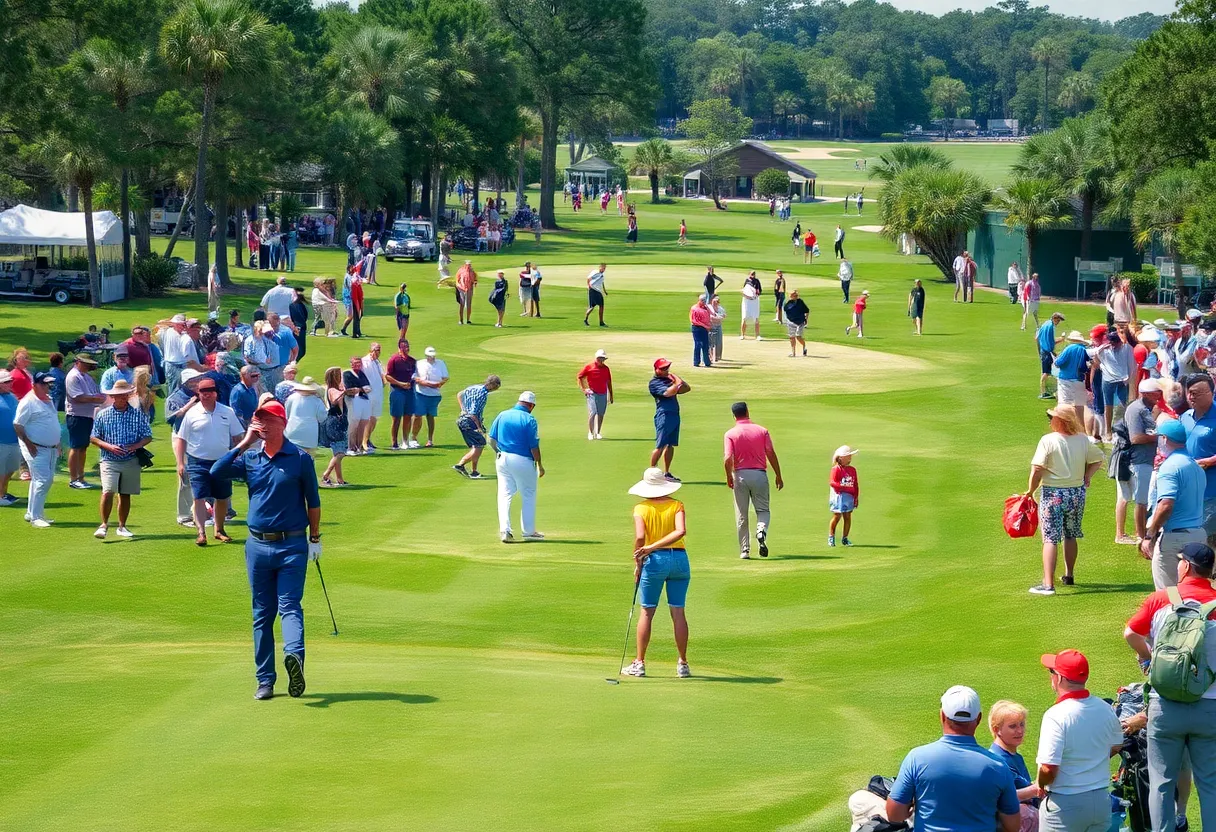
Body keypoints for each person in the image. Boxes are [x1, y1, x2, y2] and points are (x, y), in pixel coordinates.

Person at [211, 400, 322, 701]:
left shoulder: (300, 459)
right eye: (258, 420)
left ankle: (294, 657)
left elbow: (313, 501)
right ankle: (265, 681)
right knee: (262, 614)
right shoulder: (250, 458)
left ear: (282, 423)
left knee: (289, 605)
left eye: (268, 420)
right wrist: (244, 442)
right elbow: (216, 472)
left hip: (292, 545)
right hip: (257, 546)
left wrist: (315, 538)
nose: (262, 425)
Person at [1123, 542, 1216, 832]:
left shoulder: (1161, 598)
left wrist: (1152, 662)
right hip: (1210, 707)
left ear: (1186, 566)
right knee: (1210, 784)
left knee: (1161, 783)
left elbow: (1131, 634)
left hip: (1164, 707)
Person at [886, 685, 1022, 832]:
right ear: (978, 719)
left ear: (942, 716)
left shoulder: (917, 758)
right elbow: (1013, 826)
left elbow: (895, 814)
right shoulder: (998, 766)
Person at [1034, 650, 1124, 832]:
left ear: (1059, 678)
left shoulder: (1055, 715)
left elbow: (1048, 768)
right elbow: (1116, 745)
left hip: (1065, 806)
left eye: (1052, 672)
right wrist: (1092, 758)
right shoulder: (1104, 708)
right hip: (1100, 803)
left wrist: (1040, 784)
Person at [621, 467, 691, 679]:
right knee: (678, 612)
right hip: (680, 559)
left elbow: (641, 538)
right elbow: (680, 531)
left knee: (647, 612)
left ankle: (639, 663)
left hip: (655, 561)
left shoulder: (641, 508)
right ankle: (683, 664)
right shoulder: (677, 505)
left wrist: (641, 557)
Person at [1026, 407, 1105, 595]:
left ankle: (1048, 584)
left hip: (1053, 494)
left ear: (1059, 421)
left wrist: (1030, 491)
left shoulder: (1048, 441)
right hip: (1076, 493)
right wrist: (1087, 476)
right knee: (1070, 534)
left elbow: (1037, 469)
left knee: (1050, 538)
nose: (1049, 420)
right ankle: (1069, 575)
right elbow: (1098, 459)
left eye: (1051, 417)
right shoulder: (1082, 439)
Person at [174, 374, 244, 546]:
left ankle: (219, 530)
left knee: (222, 497)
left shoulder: (227, 412)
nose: (207, 394)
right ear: (198, 393)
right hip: (197, 461)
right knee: (199, 497)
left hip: (221, 462)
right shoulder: (191, 413)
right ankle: (201, 532)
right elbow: (181, 439)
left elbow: (238, 436)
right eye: (203, 391)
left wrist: (236, 456)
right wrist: (180, 463)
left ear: (216, 393)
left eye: (210, 391)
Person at [1141, 419, 1208, 589]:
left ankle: (1174, 615)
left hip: (1175, 539)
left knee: (1169, 592)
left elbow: (1166, 505)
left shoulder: (1170, 467)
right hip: (1199, 536)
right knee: (1193, 590)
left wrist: (1150, 535)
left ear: (1164, 438)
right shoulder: (1196, 466)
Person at [90, 379, 152, 540]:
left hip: (131, 459)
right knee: (108, 491)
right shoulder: (103, 415)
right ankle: (104, 525)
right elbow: (94, 437)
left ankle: (122, 526)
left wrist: (135, 446)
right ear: (112, 397)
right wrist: (109, 446)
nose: (122, 398)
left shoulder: (138, 415)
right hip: (109, 459)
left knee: (125, 494)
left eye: (125, 395)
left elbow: (147, 436)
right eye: (119, 396)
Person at [724, 402, 783, 560]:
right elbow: (770, 452)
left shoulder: (730, 433)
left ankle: (745, 550)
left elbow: (728, 458)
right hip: (759, 474)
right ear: (747, 412)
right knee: (763, 510)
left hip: (740, 475)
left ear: (734, 415)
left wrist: (729, 475)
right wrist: (778, 474)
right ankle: (761, 529)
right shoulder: (762, 430)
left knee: (741, 514)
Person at [488, 391, 545, 543]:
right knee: (528, 494)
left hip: (502, 459)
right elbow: (534, 446)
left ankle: (505, 530)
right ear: (531, 405)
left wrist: (498, 453)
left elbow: (491, 439)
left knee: (504, 494)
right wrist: (539, 464)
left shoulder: (502, 415)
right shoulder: (529, 419)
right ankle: (528, 531)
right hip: (522, 460)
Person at [13, 372, 60, 527]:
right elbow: (18, 425)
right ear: (35, 385)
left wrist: (57, 442)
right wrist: (28, 443)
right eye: (45, 384)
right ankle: (36, 517)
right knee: (42, 480)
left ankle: (32, 512)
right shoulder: (28, 402)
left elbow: (52, 422)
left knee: (42, 480)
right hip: (35, 448)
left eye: (49, 384)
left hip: (50, 448)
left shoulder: (49, 400)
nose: (48, 386)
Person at [1119, 379, 1163, 545]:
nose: (1158, 395)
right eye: (1155, 393)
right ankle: (1141, 536)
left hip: (1146, 459)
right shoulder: (1136, 410)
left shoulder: (1146, 408)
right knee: (1141, 500)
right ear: (1145, 394)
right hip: (1139, 460)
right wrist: (1159, 438)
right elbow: (1136, 438)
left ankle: (1142, 533)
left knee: (1143, 499)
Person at [988, 700, 1043, 832]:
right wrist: (1040, 787)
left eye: (1022, 724)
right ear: (997, 730)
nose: (1020, 731)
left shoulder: (1013, 756)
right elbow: (1005, 797)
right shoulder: (998, 760)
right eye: (1013, 726)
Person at [65, 354, 105, 490]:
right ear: (78, 362)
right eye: (86, 363)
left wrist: (98, 398)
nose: (88, 366)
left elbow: (94, 393)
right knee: (76, 447)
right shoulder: (73, 376)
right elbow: (77, 397)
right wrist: (96, 399)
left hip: (87, 415)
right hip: (76, 415)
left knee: (83, 447)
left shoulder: (86, 377)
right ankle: (73, 479)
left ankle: (80, 477)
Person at [649, 359, 690, 482]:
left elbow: (686, 388)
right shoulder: (654, 383)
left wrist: (676, 379)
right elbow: (668, 393)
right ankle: (651, 474)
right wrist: (677, 383)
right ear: (656, 370)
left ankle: (666, 473)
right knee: (660, 445)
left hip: (674, 414)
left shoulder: (669, 380)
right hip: (664, 414)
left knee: (670, 445)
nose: (665, 370)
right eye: (662, 368)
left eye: (667, 368)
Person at [453, 375, 501, 478]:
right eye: (496, 387)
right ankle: (460, 465)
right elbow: (473, 414)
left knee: (477, 445)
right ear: (492, 385)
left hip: (462, 420)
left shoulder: (474, 387)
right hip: (469, 422)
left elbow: (460, 394)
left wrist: (463, 409)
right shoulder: (483, 394)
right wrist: (479, 427)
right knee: (480, 444)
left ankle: (474, 471)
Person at [1098, 328, 1137, 440]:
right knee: (1108, 405)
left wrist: (1128, 378)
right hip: (1108, 380)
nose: (1113, 345)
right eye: (1111, 342)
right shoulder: (1104, 349)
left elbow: (1131, 364)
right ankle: (1108, 431)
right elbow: (1096, 355)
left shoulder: (1127, 348)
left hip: (1122, 380)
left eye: (1116, 342)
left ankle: (1125, 427)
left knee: (1124, 404)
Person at [411, 346, 449, 448]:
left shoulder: (440, 363)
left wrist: (439, 384)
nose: (431, 358)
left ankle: (430, 439)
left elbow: (445, 377)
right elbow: (414, 377)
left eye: (432, 356)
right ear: (426, 355)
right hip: (421, 392)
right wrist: (423, 382)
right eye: (429, 356)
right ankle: (414, 438)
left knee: (430, 416)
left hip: (434, 394)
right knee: (418, 415)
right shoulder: (419, 363)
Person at [1052, 331, 1092, 427]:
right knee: (1079, 406)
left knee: (1064, 404)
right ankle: (1082, 428)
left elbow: (1058, 363)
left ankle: (1064, 426)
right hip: (1079, 380)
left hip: (1065, 380)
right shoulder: (1084, 349)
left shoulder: (1069, 349)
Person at [385, 340, 416, 451]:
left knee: (408, 416)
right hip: (397, 391)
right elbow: (388, 376)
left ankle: (405, 441)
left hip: (409, 391)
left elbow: (415, 375)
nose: (406, 349)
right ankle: (394, 442)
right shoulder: (394, 360)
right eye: (404, 347)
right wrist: (400, 384)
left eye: (407, 346)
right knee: (396, 418)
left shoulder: (412, 361)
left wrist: (410, 384)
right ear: (399, 348)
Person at [284, 377, 326, 456]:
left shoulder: (291, 398)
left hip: (292, 430)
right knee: (308, 458)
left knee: (292, 457)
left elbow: (287, 414)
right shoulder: (317, 401)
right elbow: (322, 418)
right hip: (309, 433)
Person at [320, 367, 348, 487]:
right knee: (340, 453)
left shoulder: (336, 388)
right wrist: (343, 392)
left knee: (337, 452)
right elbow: (335, 400)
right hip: (335, 422)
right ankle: (326, 475)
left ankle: (340, 479)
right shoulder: (331, 389)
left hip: (338, 421)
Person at [577, 349, 614, 441]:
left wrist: (611, 395)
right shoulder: (589, 367)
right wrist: (584, 389)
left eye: (603, 358)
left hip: (603, 393)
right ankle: (590, 432)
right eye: (600, 358)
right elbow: (580, 377)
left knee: (600, 413)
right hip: (592, 393)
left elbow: (609, 382)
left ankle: (597, 433)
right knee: (592, 412)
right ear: (596, 358)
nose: (601, 360)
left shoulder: (606, 369)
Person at [828, 445, 860, 547]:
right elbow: (833, 483)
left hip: (849, 497)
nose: (850, 458)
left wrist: (856, 496)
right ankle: (831, 537)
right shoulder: (836, 469)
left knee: (847, 516)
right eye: (848, 456)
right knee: (837, 516)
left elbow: (855, 484)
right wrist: (844, 487)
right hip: (838, 497)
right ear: (841, 458)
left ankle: (845, 538)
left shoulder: (852, 470)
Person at [342, 356, 372, 456]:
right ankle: (351, 447)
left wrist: (360, 389)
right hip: (353, 400)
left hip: (364, 399)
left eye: (359, 363)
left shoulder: (362, 374)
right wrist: (361, 389)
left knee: (363, 424)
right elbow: (350, 389)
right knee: (353, 424)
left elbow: (368, 388)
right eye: (355, 363)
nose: (358, 365)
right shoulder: (347, 374)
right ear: (351, 364)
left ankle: (359, 447)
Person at [0, 370, 20, 507]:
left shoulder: (12, 397)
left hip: (14, 440)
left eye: (10, 381)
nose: (10, 383)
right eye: (6, 381)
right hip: (1, 441)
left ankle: (3, 493)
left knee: (10, 469)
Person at [360, 344, 385, 450]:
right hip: (369, 395)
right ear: (371, 350)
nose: (378, 352)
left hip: (378, 394)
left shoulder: (377, 362)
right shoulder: (364, 361)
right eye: (376, 350)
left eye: (379, 350)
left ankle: (367, 439)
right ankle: (363, 442)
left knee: (374, 419)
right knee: (368, 419)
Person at [1036, 312, 1066, 400]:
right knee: (1047, 372)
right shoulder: (1050, 327)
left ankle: (1045, 391)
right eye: (1058, 320)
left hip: (1043, 351)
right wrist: (1061, 339)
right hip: (1047, 352)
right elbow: (1051, 343)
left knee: (1046, 371)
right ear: (1055, 319)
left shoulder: (1045, 324)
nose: (1058, 322)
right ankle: (1043, 392)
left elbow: (1037, 337)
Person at [783, 290, 810, 358]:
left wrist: (806, 319)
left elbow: (807, 310)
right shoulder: (788, 303)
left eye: (796, 295)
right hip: (791, 322)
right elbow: (785, 310)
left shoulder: (800, 302)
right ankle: (793, 352)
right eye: (794, 295)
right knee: (792, 337)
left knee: (798, 336)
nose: (795, 297)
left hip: (800, 322)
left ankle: (804, 346)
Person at [690, 296, 713, 368]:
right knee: (698, 344)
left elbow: (711, 313)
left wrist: (708, 325)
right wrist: (706, 326)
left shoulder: (705, 308)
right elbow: (695, 321)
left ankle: (707, 361)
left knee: (706, 345)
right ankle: (696, 361)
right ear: (699, 300)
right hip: (697, 328)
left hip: (705, 328)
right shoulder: (694, 309)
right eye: (703, 301)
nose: (704, 303)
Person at [740, 272, 762, 341]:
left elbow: (760, 291)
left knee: (756, 318)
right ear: (749, 274)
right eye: (751, 274)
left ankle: (757, 335)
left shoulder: (757, 281)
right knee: (744, 318)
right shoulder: (747, 281)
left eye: (754, 274)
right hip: (746, 302)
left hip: (754, 302)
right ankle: (742, 334)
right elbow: (744, 290)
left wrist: (756, 294)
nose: (752, 275)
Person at [456, 260, 477, 325]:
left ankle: (468, 319)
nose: (469, 266)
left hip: (469, 289)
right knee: (462, 304)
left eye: (470, 265)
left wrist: (474, 283)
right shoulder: (461, 270)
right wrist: (460, 287)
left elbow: (475, 280)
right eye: (468, 265)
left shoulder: (472, 272)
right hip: (461, 289)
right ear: (465, 265)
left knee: (468, 305)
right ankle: (461, 320)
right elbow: (457, 280)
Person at [708, 296, 727, 363]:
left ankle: (717, 356)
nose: (717, 302)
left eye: (718, 301)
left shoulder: (720, 308)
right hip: (711, 327)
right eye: (715, 301)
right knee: (711, 342)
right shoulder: (709, 308)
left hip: (718, 326)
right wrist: (718, 318)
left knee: (719, 341)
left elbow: (724, 315)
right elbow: (711, 318)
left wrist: (717, 318)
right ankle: (711, 356)